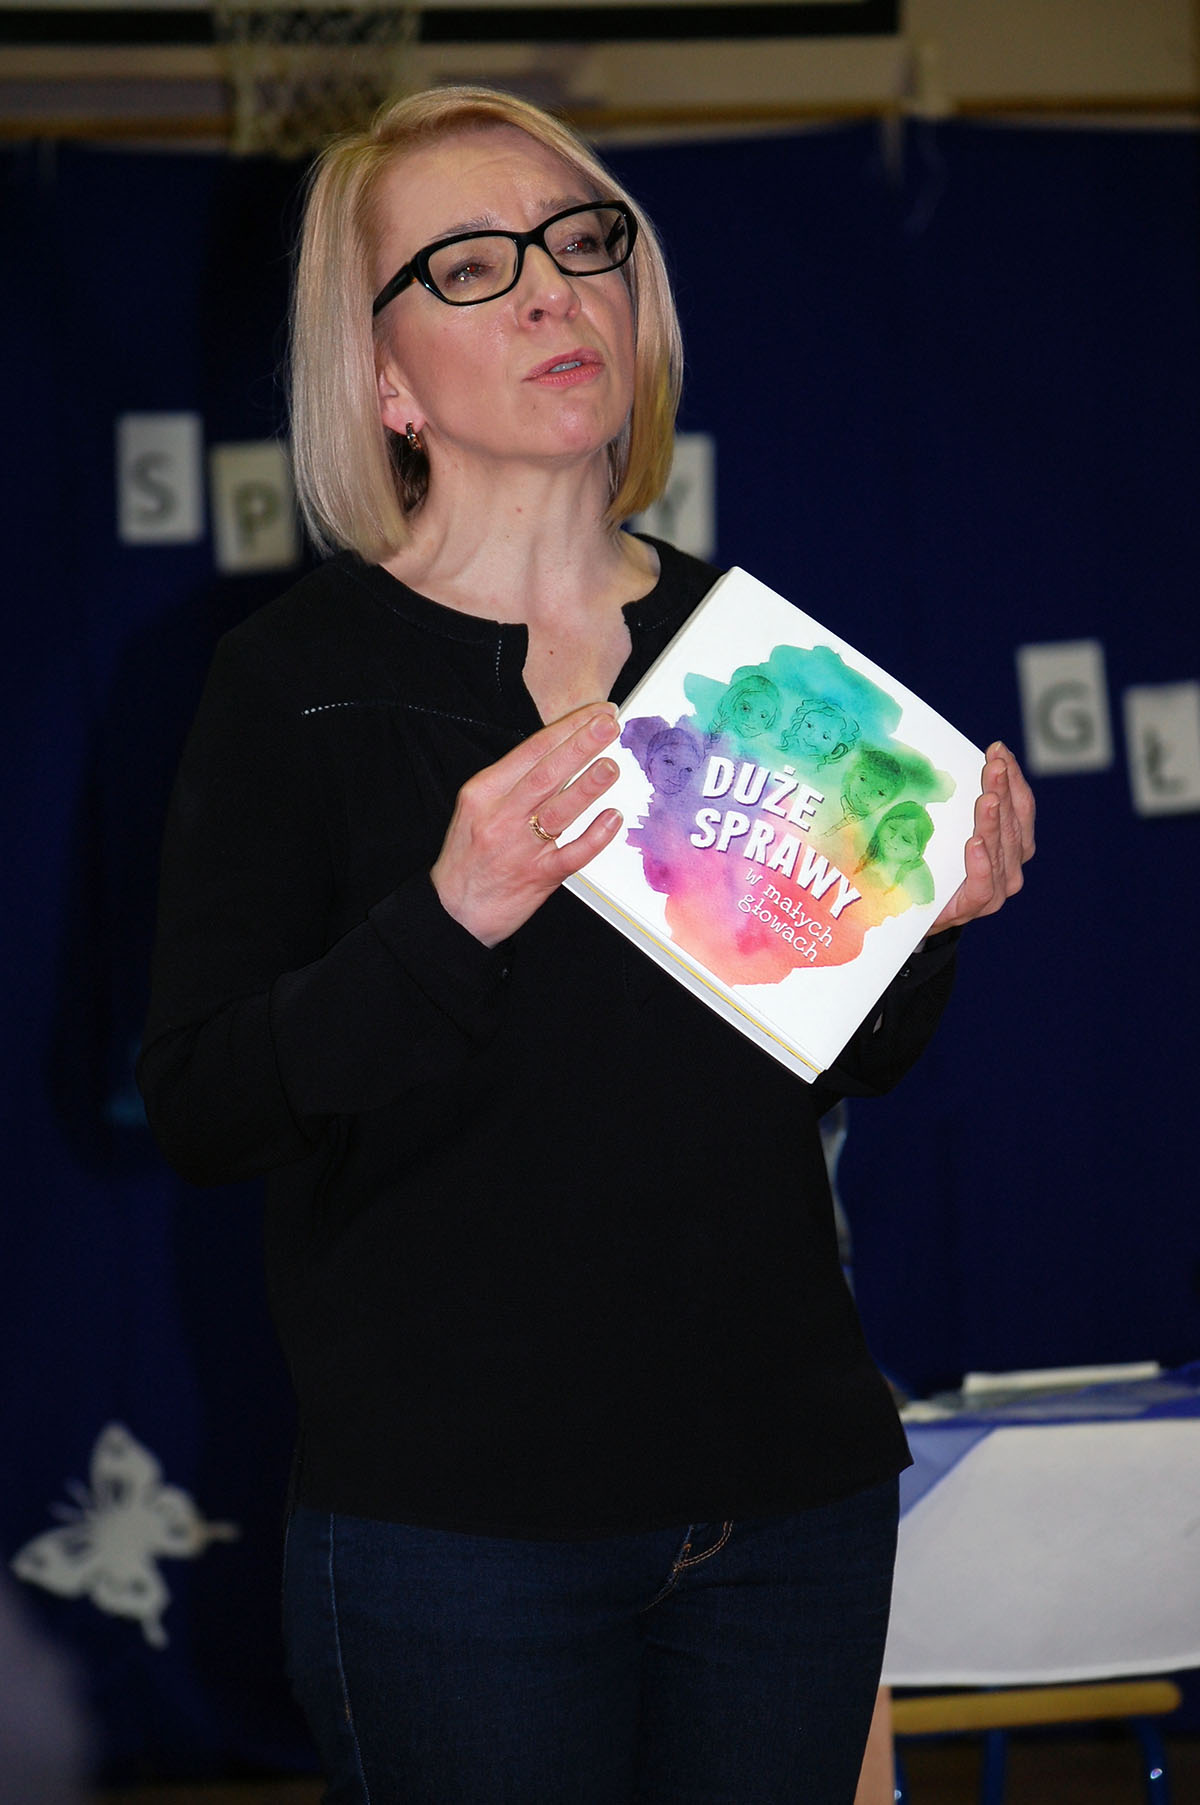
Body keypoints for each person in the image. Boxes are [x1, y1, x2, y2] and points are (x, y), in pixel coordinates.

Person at [137, 84, 1035, 1805]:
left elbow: (825, 1059)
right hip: (459, 1543)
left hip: (787, 1507)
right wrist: (448, 916)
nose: (553, 290)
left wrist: (923, 926)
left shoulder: (743, 655)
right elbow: (204, 1101)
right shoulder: (294, 680)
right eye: (472, 266)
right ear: (383, 379)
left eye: (581, 242)